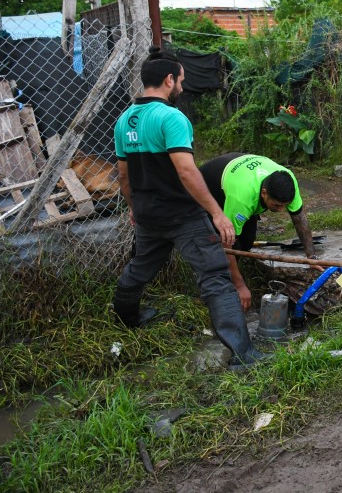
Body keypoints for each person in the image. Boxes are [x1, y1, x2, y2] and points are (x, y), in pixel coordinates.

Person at [112, 47, 262, 368]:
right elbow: (186, 170)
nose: (182, 86)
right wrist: (217, 213)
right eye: (181, 80)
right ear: (169, 80)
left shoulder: (124, 120)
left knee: (140, 267)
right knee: (215, 277)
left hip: (148, 213)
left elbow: (123, 175)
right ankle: (243, 353)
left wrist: (134, 206)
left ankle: (128, 318)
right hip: (182, 214)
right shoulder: (171, 117)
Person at [200, 153, 316, 311]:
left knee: (247, 241)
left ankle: (236, 273)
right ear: (264, 193)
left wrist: (311, 256)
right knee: (230, 244)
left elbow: (299, 219)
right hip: (209, 183)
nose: (282, 210)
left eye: (285, 205)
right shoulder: (241, 199)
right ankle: (222, 289)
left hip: (242, 171)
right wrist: (240, 286)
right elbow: (226, 243)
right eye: (276, 205)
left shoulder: (289, 181)